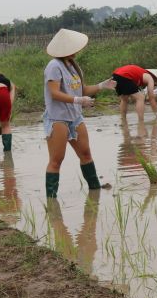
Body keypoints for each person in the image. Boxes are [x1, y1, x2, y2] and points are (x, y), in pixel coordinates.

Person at [43, 28, 116, 198]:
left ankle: (95, 192)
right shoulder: (54, 66)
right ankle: (51, 201)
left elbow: (81, 89)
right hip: (58, 119)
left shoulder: (73, 66)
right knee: (56, 160)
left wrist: (101, 86)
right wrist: (78, 100)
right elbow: (54, 93)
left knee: (86, 154)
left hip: (75, 118)